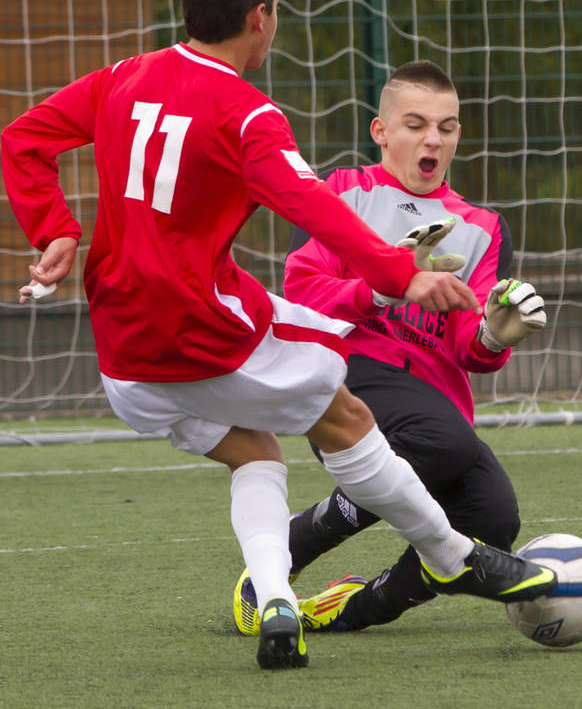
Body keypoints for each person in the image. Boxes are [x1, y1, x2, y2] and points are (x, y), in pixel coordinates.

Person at [0, 0, 555, 671]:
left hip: (123, 354)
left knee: (255, 451)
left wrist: (58, 230)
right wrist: (403, 272)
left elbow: (23, 138)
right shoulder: (249, 115)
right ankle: (450, 555)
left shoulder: (122, 77)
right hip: (199, 326)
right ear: (261, 17)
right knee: (345, 407)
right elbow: (314, 208)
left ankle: (276, 600)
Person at [231, 59, 548, 635]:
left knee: (493, 519)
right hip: (349, 374)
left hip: (431, 400)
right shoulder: (341, 192)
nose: (433, 139)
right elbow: (303, 296)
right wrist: (380, 288)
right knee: (442, 442)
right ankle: (289, 549)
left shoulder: (481, 226)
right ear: (381, 131)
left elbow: (469, 348)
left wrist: (494, 335)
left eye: (447, 128)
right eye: (416, 124)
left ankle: (351, 610)